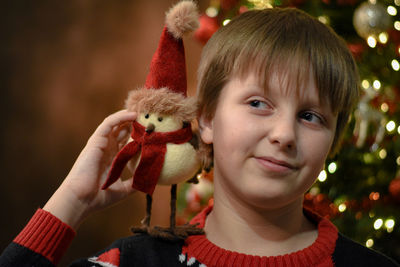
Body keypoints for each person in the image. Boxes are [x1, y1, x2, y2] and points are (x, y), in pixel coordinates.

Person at [1, 6, 399, 267]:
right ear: (206, 118)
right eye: (259, 103)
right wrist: (72, 201)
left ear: (333, 138)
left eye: (311, 116)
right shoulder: (133, 263)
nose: (284, 134)